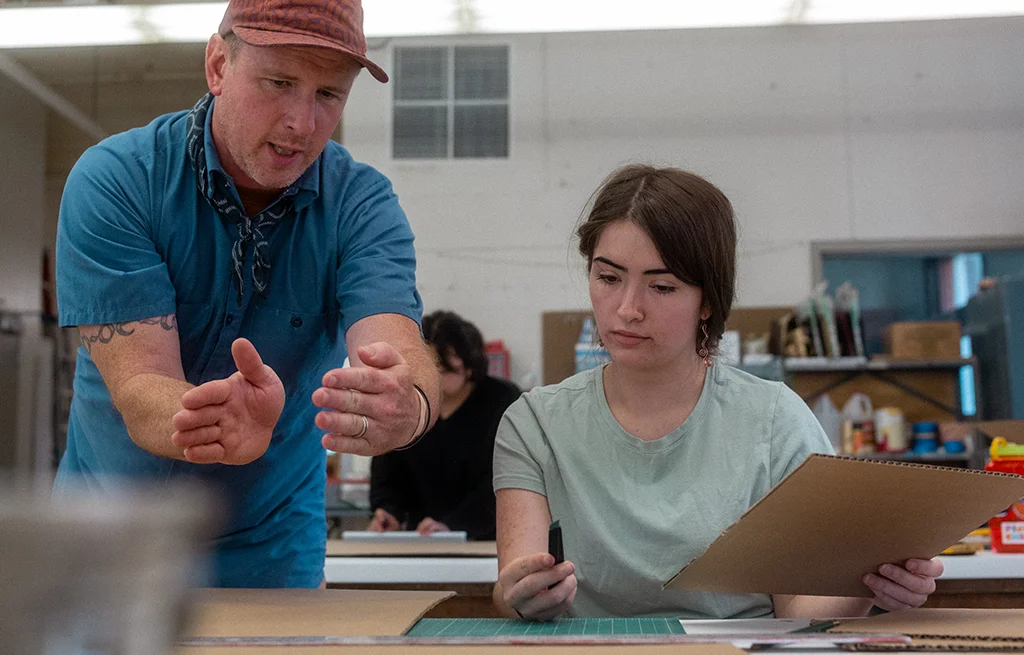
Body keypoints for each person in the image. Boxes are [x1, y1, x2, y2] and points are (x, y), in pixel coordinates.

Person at [53, 0, 441, 588]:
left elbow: (399, 349)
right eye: (279, 83)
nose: (302, 123)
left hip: (272, 545)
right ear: (218, 65)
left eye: (328, 94)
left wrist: (408, 408)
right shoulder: (119, 181)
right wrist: (213, 421)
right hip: (109, 536)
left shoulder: (361, 206)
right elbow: (139, 386)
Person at [491, 165, 943, 620]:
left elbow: (799, 608)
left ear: (708, 300)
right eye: (608, 278)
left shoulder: (775, 421)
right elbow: (513, 588)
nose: (627, 309)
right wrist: (523, 597)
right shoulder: (536, 425)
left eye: (662, 286)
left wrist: (871, 582)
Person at [368, 311, 521, 541]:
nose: (431, 377)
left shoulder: (502, 400)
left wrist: (453, 525)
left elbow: (505, 481)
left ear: (469, 365)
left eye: (441, 368)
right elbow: (387, 470)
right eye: (423, 368)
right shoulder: (406, 402)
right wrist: (388, 511)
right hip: (420, 540)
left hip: (487, 540)